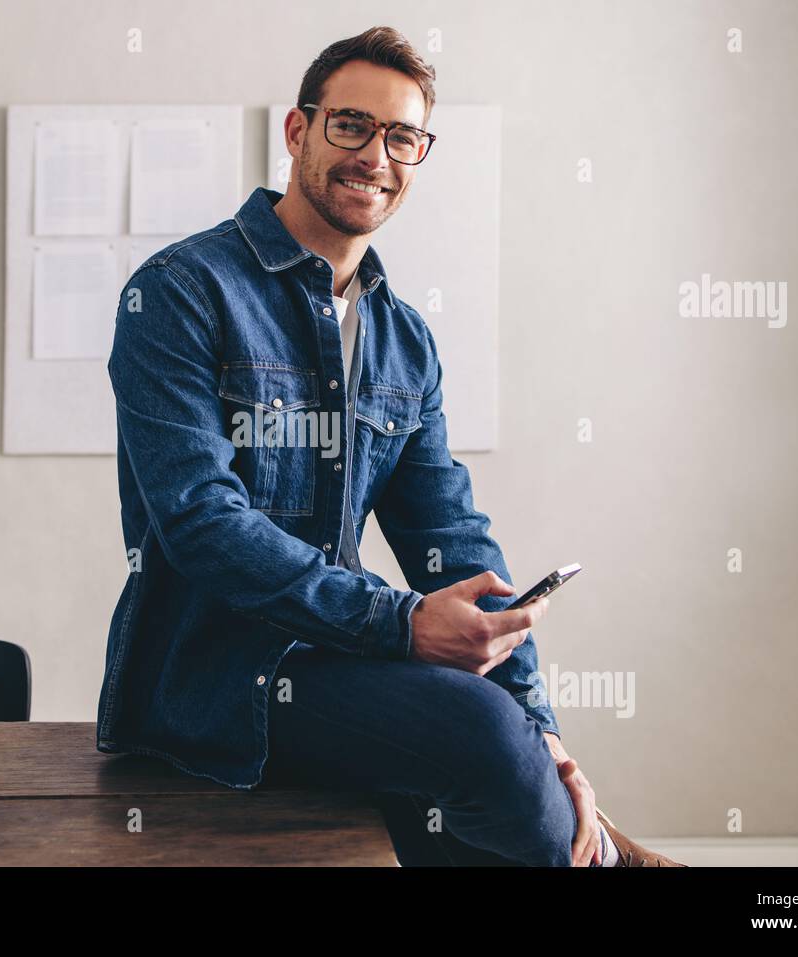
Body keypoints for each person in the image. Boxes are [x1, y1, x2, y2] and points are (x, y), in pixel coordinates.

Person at [97, 24, 683, 867]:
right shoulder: (180, 292)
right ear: (299, 132)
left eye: (401, 136)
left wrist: (546, 729)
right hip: (215, 682)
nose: (375, 154)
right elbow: (201, 525)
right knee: (478, 733)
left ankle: (601, 853)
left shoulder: (405, 341)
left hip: (346, 661)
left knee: (495, 762)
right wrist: (404, 623)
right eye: (351, 126)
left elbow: (453, 544)